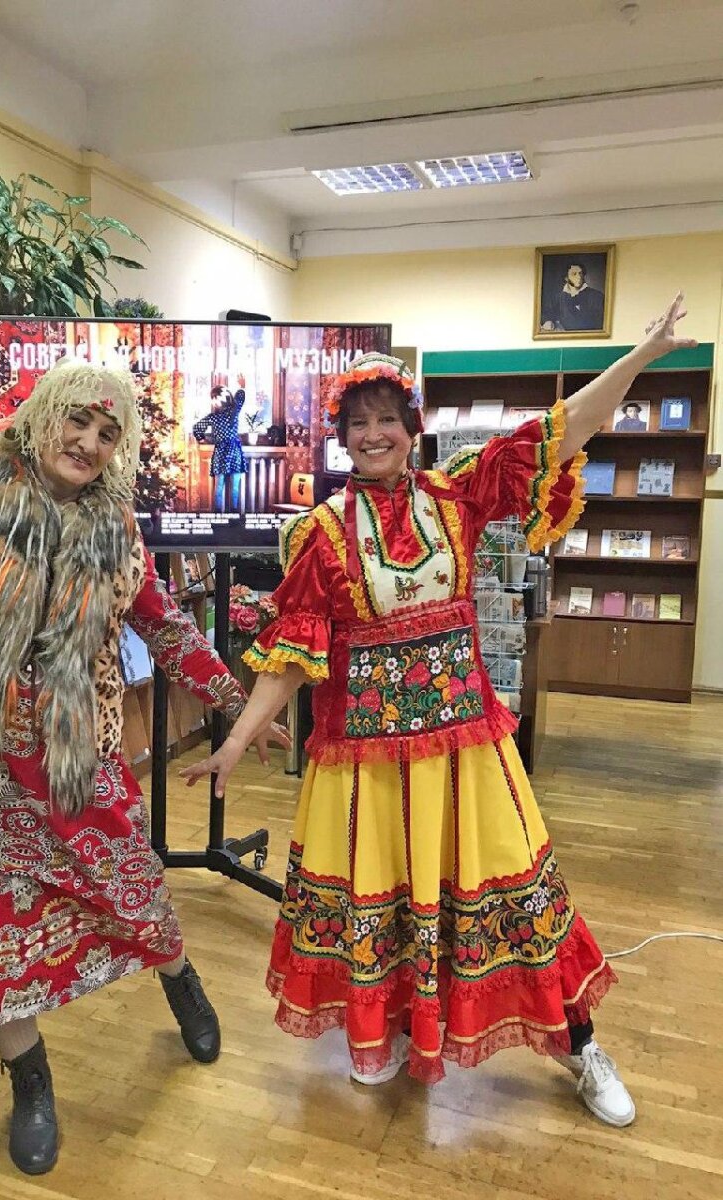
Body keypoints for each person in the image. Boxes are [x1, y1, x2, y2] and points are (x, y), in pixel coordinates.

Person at [0, 178, 289, 1177]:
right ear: (41, 419)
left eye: (108, 432)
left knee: (133, 892)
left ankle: (179, 976)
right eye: (76, 421)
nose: (88, 442)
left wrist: (236, 699)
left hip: (74, 760)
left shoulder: (118, 532)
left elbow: (166, 625)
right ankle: (29, 1079)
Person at [183, 300, 695, 1128]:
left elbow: (561, 433)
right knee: (380, 905)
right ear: (342, 437)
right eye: (358, 423)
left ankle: (580, 1045)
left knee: (519, 893)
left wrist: (641, 355)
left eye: (387, 419)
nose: (373, 434)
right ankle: (384, 1030)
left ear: (412, 428)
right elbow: (293, 656)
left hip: (465, 752)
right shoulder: (321, 534)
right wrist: (237, 741)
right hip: (365, 768)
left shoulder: (459, 495)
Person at [192, 375, 248, 512]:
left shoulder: (213, 417)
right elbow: (240, 398)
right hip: (234, 451)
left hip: (221, 452)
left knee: (219, 486)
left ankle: (218, 513)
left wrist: (202, 439)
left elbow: (197, 428)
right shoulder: (233, 412)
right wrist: (242, 386)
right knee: (234, 487)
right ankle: (234, 514)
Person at [540, 261, 605, 332]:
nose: (579, 277)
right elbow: (547, 313)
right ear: (566, 278)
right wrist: (548, 321)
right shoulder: (558, 298)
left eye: (580, 273)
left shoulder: (597, 296)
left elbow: (600, 323)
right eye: (574, 274)